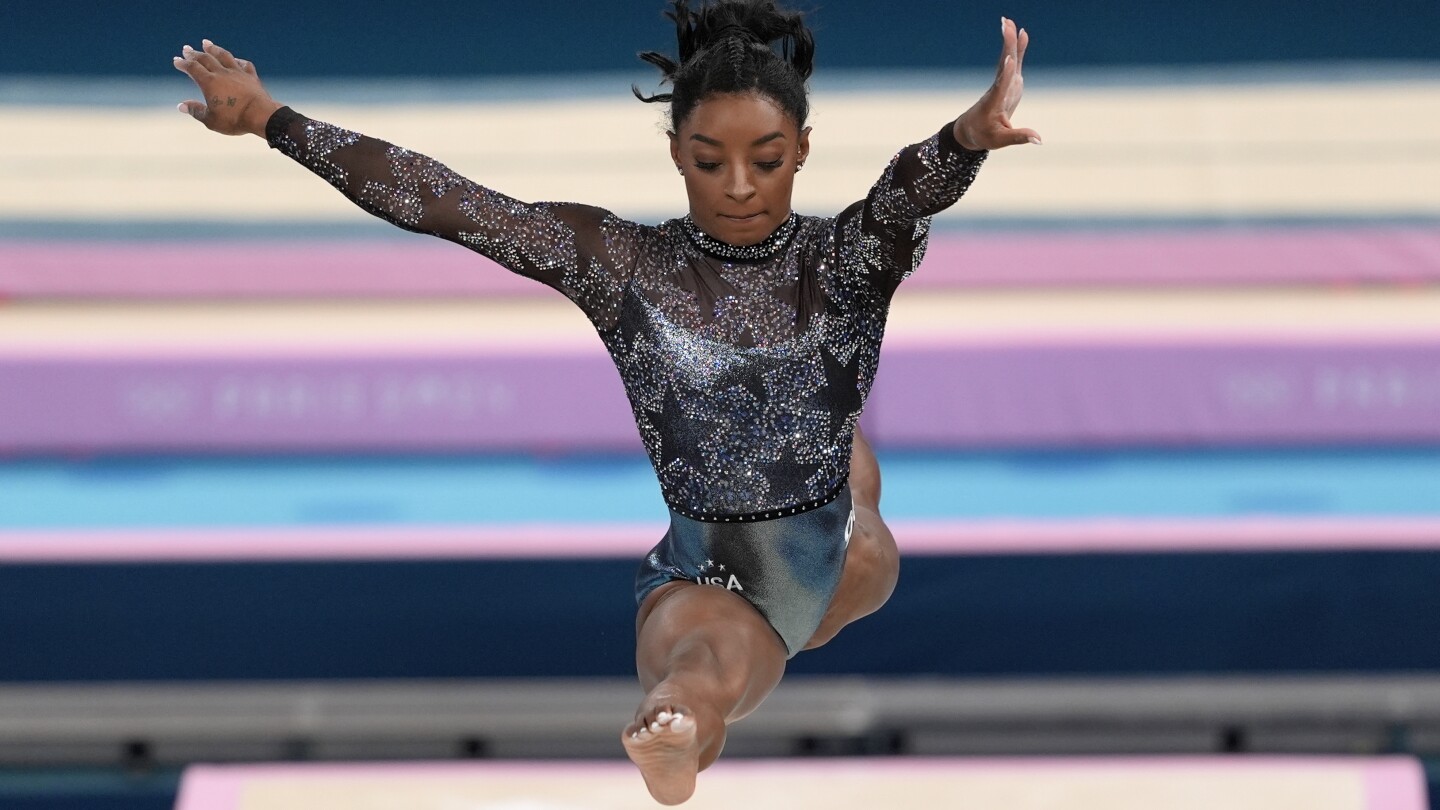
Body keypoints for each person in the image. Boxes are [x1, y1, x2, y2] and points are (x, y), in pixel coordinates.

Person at [172, 1, 1036, 803]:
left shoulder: (840, 264)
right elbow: (453, 205)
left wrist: (968, 136)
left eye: (766, 161)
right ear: (675, 154)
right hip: (709, 560)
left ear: (802, 150)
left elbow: (901, 194)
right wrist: (272, 120)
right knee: (699, 668)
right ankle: (673, 738)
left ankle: (775, 638)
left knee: (862, 525)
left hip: (834, 543)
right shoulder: (622, 264)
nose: (738, 184)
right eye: (709, 161)